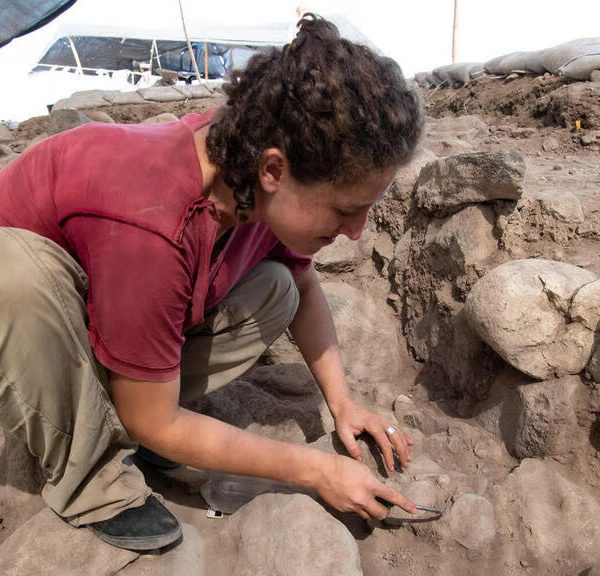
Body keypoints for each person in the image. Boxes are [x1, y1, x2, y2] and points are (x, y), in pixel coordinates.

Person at [0, 15, 423, 551]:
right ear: (274, 170)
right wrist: (316, 470)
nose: (356, 231)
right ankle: (94, 479)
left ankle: (128, 414)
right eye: (344, 210)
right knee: (7, 275)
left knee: (280, 290)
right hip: (35, 326)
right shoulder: (151, 220)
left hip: (118, 312)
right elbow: (152, 415)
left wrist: (344, 404)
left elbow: (307, 290)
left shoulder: (248, 162)